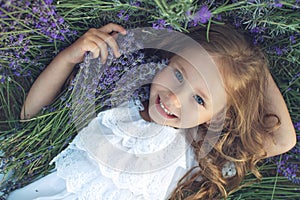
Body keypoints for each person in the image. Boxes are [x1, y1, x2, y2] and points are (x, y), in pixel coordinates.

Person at [9, 23, 296, 199]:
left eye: (199, 101)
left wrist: (254, 64)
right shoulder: (115, 102)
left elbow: (284, 140)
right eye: (179, 75)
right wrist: (68, 57)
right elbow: (31, 116)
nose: (174, 100)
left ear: (221, 117)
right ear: (168, 59)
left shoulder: (197, 153)